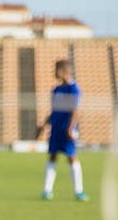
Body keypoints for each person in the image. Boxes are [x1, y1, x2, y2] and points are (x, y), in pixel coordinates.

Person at [37, 59, 88, 202]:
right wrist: (44, 125)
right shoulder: (56, 90)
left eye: (56, 69)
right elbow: (54, 111)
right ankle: (47, 191)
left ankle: (79, 191)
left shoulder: (74, 89)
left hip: (67, 131)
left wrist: (70, 128)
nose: (54, 72)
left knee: (72, 157)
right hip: (56, 130)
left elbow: (76, 111)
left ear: (63, 71)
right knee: (52, 156)